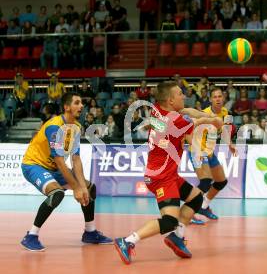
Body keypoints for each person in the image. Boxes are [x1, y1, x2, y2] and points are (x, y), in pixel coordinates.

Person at [114, 81, 223, 264]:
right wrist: (213, 120)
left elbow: (188, 112)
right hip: (161, 178)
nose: (184, 96)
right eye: (180, 94)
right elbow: (195, 120)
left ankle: (177, 237)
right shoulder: (173, 120)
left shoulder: (159, 109)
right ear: (171, 100)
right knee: (169, 221)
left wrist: (205, 115)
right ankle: (127, 241)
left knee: (196, 198)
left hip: (169, 175)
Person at [20, 92, 112, 251]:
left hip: (55, 168)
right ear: (66, 107)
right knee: (57, 193)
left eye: (82, 103)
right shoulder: (54, 127)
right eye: (77, 103)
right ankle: (31, 235)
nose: (82, 106)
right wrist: (76, 187)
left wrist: (82, 187)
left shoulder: (76, 127)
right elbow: (60, 160)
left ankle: (90, 232)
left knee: (90, 189)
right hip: (34, 165)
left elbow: (75, 159)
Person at [188, 87, 237, 224]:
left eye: (220, 96)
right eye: (215, 97)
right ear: (210, 100)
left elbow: (224, 130)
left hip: (210, 152)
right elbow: (189, 130)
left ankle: (203, 206)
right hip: (198, 151)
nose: (217, 99)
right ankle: (189, 211)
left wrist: (230, 144)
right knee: (205, 182)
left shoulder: (225, 112)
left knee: (221, 181)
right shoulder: (204, 114)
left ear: (223, 98)